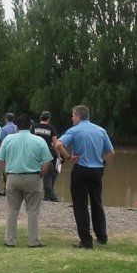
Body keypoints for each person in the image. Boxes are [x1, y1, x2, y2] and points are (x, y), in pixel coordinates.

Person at [55, 105, 114, 249]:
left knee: (80, 205)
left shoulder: (74, 130)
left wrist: (68, 157)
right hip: (96, 170)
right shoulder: (101, 130)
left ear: (78, 116)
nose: (72, 118)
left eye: (73, 115)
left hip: (81, 169)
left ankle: (86, 241)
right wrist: (102, 165)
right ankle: (102, 236)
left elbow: (58, 144)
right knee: (97, 203)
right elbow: (111, 152)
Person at [0, 114, 53, 248]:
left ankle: (10, 240)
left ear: (16, 126)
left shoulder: (9, 139)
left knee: (12, 210)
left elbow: (0, 160)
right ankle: (34, 240)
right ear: (31, 126)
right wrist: (41, 175)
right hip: (33, 177)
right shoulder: (39, 140)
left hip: (13, 177)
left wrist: (6, 175)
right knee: (33, 211)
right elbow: (47, 162)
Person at [31, 110, 60, 202]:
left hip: (35, 155)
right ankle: (53, 197)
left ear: (41, 117)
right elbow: (55, 144)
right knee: (49, 174)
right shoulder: (51, 128)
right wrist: (59, 156)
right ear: (49, 119)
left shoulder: (34, 127)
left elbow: (30, 140)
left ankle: (45, 196)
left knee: (34, 175)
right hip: (46, 155)